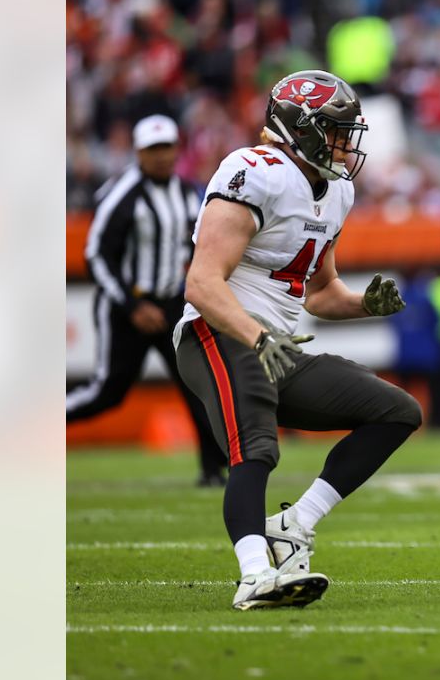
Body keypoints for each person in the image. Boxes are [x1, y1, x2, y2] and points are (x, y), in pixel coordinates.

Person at [174, 71, 422, 610]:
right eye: (334, 131)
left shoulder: (337, 191)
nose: (344, 144)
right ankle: (255, 575)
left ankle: (294, 523)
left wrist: (364, 305)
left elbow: (319, 293)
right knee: (256, 446)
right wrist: (257, 337)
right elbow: (201, 282)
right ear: (300, 129)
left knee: (397, 411)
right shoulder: (253, 171)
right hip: (217, 332)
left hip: (278, 344)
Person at [67, 114, 225, 487]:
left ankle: (212, 470)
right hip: (126, 306)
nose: (161, 156)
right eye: (153, 149)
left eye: (167, 147)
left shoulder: (188, 193)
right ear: (138, 153)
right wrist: (131, 305)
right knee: (108, 393)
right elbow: (96, 255)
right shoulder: (121, 194)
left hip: (171, 304)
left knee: (198, 386)